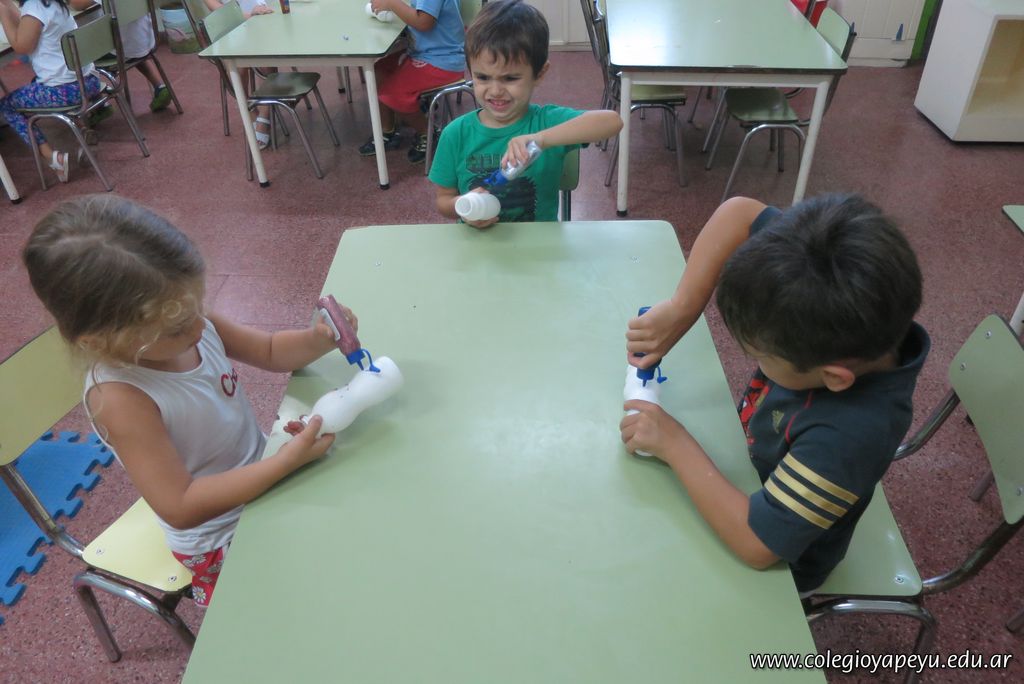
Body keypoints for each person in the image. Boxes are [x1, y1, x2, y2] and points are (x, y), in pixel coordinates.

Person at [23, 194, 346, 606]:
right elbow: (180, 504)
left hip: (266, 472)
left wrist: (317, 340)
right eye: (176, 328)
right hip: (221, 534)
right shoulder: (121, 398)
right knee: (307, 596)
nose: (198, 328)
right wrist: (283, 463)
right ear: (99, 340)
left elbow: (268, 350)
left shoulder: (186, 319)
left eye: (197, 306)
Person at [619, 194, 930, 595]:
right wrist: (682, 307)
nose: (755, 361)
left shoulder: (850, 436)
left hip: (785, 565)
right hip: (753, 466)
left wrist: (674, 444)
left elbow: (758, 545)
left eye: (761, 357)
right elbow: (739, 212)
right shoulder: (815, 268)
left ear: (834, 378)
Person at [428, 0, 621, 226]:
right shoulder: (455, 134)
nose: (495, 90)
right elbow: (444, 200)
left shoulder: (546, 122)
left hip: (538, 243)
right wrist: (464, 207)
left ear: (539, 74)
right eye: (482, 77)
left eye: (510, 78)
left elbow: (612, 121)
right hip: (476, 243)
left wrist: (541, 139)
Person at [0, 0, 101, 182]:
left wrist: (2, 12)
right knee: (36, 83)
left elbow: (21, 47)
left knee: (7, 106)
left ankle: (52, 158)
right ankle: (82, 129)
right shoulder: (50, 3)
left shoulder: (34, 7)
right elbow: (26, 22)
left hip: (66, 91)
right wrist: (7, 5)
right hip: (89, 82)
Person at [358, 0, 467, 164]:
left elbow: (423, 22)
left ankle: (428, 133)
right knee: (379, 71)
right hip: (424, 52)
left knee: (392, 94)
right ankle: (387, 130)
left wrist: (391, 3)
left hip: (442, 61)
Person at [68, 0, 172, 113]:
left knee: (78, 53)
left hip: (121, 49)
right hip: (145, 39)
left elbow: (77, 5)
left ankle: (98, 104)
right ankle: (160, 86)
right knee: (129, 47)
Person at [203, 0, 275, 147]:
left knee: (268, 55)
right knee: (236, 61)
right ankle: (248, 110)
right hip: (229, 27)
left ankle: (265, 113)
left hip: (262, 18)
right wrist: (250, 15)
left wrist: (259, 13)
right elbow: (217, 9)